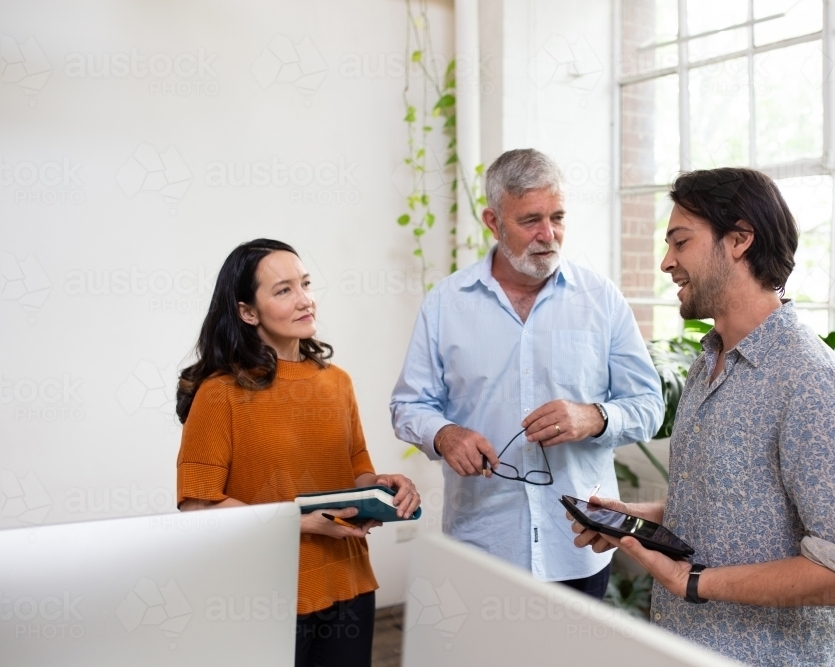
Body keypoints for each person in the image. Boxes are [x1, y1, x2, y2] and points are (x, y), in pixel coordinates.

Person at [569, 168, 835, 666]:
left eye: (680, 242)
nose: (666, 262)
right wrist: (634, 519)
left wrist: (694, 582)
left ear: (740, 240)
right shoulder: (709, 363)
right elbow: (726, 508)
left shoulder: (810, 383)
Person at [390, 149, 664, 599]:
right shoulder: (446, 303)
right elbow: (408, 404)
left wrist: (593, 417)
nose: (548, 234)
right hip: (483, 544)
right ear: (493, 222)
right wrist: (444, 435)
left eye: (558, 217)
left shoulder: (601, 299)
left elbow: (649, 406)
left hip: (577, 543)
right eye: (530, 220)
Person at [175, 239, 420, 667]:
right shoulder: (219, 394)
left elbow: (356, 470)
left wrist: (380, 488)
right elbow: (199, 504)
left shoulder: (336, 382)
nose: (306, 300)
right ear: (247, 312)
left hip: (349, 584)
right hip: (265, 595)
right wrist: (302, 523)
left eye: (305, 284)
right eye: (283, 290)